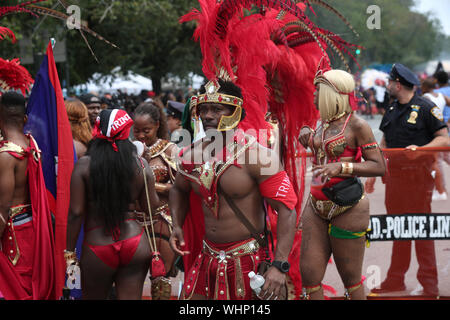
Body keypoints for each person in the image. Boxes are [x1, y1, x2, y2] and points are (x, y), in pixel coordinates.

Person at [169, 78, 298, 300]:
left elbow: (287, 210)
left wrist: (279, 266)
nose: (208, 115)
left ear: (235, 111)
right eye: (204, 109)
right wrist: (177, 224)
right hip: (206, 259)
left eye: (217, 109)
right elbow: (178, 189)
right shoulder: (190, 155)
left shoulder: (259, 156)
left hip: (248, 262)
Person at [298, 69, 386, 300]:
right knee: (309, 276)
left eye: (319, 90)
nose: (314, 94)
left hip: (348, 205)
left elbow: (379, 166)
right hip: (316, 205)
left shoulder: (358, 125)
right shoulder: (321, 124)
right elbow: (322, 161)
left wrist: (343, 168)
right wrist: (308, 136)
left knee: (351, 279)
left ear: (332, 94)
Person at [369, 63, 449, 297]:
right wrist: (376, 172)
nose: (387, 85)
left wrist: (421, 149)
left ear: (398, 84)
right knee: (397, 229)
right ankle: (396, 280)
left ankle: (429, 284)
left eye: (390, 82)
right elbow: (384, 141)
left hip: (417, 179)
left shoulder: (426, 107)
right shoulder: (393, 108)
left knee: (421, 230)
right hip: (395, 179)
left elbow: (443, 139)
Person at [65, 108, 160, 300]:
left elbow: (76, 213)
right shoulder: (141, 164)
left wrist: (69, 252)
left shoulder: (84, 165)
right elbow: (151, 208)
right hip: (135, 242)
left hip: (98, 245)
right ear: (128, 132)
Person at [0, 92, 56, 300]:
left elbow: (2, 210)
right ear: (24, 118)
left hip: (14, 236)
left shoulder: (6, 155)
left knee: (16, 291)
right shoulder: (30, 144)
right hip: (30, 229)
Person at [132, 101, 179, 300]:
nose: (141, 136)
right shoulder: (129, 151)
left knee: (161, 281)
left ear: (158, 125)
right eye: (137, 131)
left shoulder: (170, 151)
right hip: (133, 223)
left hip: (161, 222)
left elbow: (179, 189)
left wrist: (149, 184)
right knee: (131, 280)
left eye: (146, 130)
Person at [421, 77, 450, 201]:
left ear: (425, 87)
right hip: (443, 127)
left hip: (432, 132)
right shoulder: (442, 96)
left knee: (435, 162)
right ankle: (440, 189)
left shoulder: (425, 98)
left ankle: (441, 190)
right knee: (445, 157)